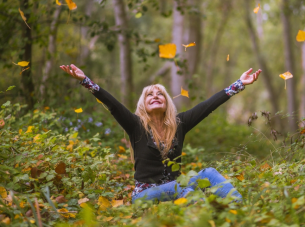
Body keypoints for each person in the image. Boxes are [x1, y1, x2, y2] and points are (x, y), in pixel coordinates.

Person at [60, 64, 261, 203]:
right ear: (143, 104)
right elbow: (112, 104)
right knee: (186, 190)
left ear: (166, 103)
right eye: (150, 94)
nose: (155, 96)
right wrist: (85, 80)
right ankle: (199, 209)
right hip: (145, 195)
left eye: (160, 94)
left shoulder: (179, 124)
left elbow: (207, 106)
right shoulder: (136, 125)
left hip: (177, 186)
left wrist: (239, 84)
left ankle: (239, 208)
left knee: (207, 174)